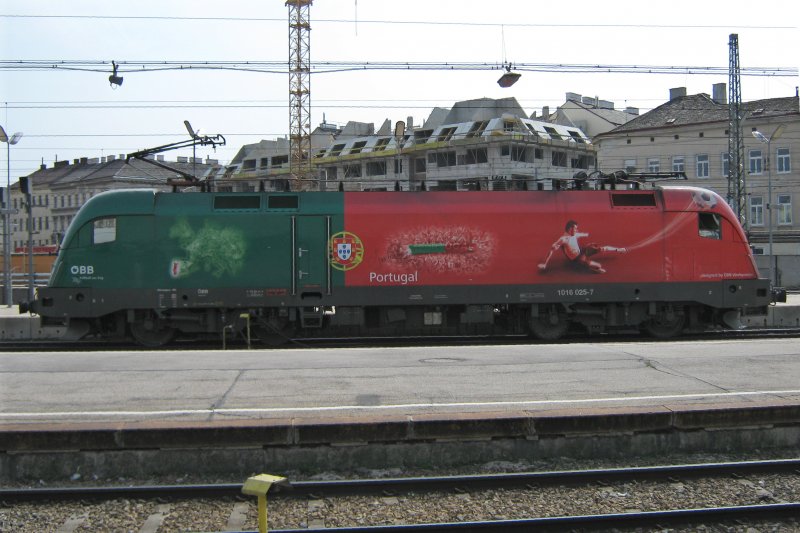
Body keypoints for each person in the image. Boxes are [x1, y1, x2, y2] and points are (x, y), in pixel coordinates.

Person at [538, 220, 626, 274]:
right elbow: (551, 250)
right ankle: (592, 268)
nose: (576, 230)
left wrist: (588, 234)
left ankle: (619, 249)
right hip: (577, 259)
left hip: (582, 251)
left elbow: (585, 234)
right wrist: (544, 263)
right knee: (598, 266)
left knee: (601, 248)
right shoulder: (563, 239)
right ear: (570, 229)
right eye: (575, 228)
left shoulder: (575, 234)